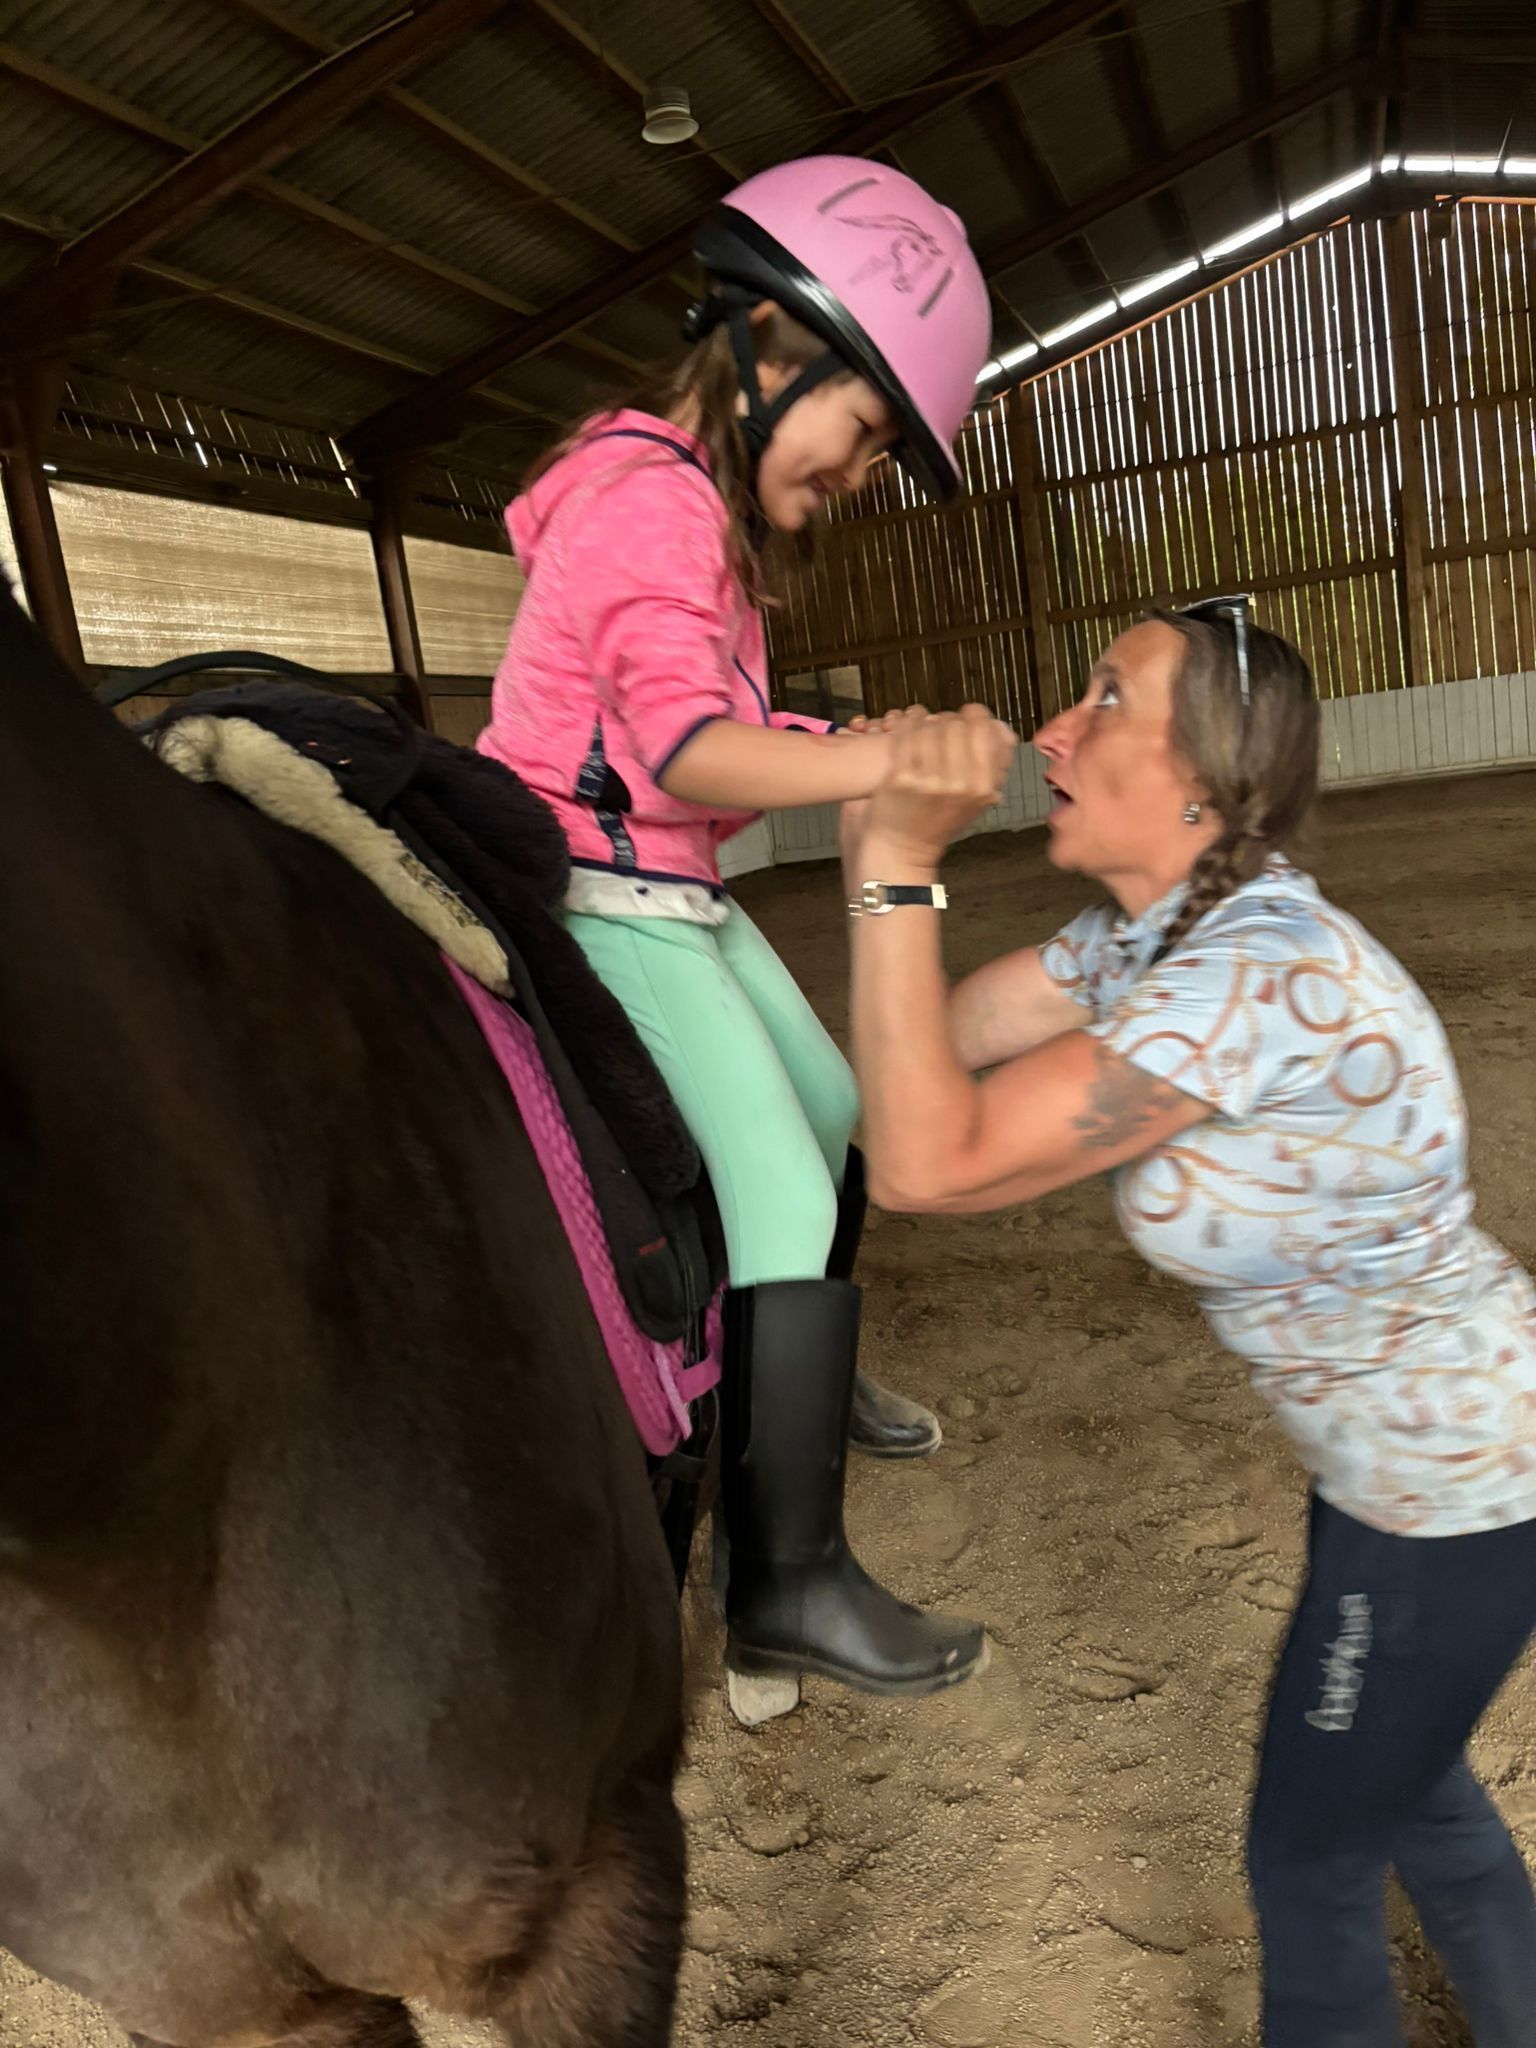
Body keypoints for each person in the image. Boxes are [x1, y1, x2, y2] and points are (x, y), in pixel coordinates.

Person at [839, 609, 1536, 2045]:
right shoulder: (1157, 936)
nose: (1054, 730)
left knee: (1314, 1855)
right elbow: (955, 1037)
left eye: (1104, 701)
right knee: (1414, 1801)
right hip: (1404, 1477)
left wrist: (892, 871)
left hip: (1455, 1490)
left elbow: (933, 1162)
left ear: (1206, 784)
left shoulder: (1251, 975)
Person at [478, 156, 995, 1700]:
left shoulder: (693, 511)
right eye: (868, 430)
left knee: (834, 1114)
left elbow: (729, 728)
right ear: (779, 342)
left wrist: (846, 739)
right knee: (775, 1186)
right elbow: (696, 752)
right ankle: (784, 1585)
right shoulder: (648, 506)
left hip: (673, 882)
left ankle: (796, 1391)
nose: (861, 468)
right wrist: (883, 763)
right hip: (593, 881)